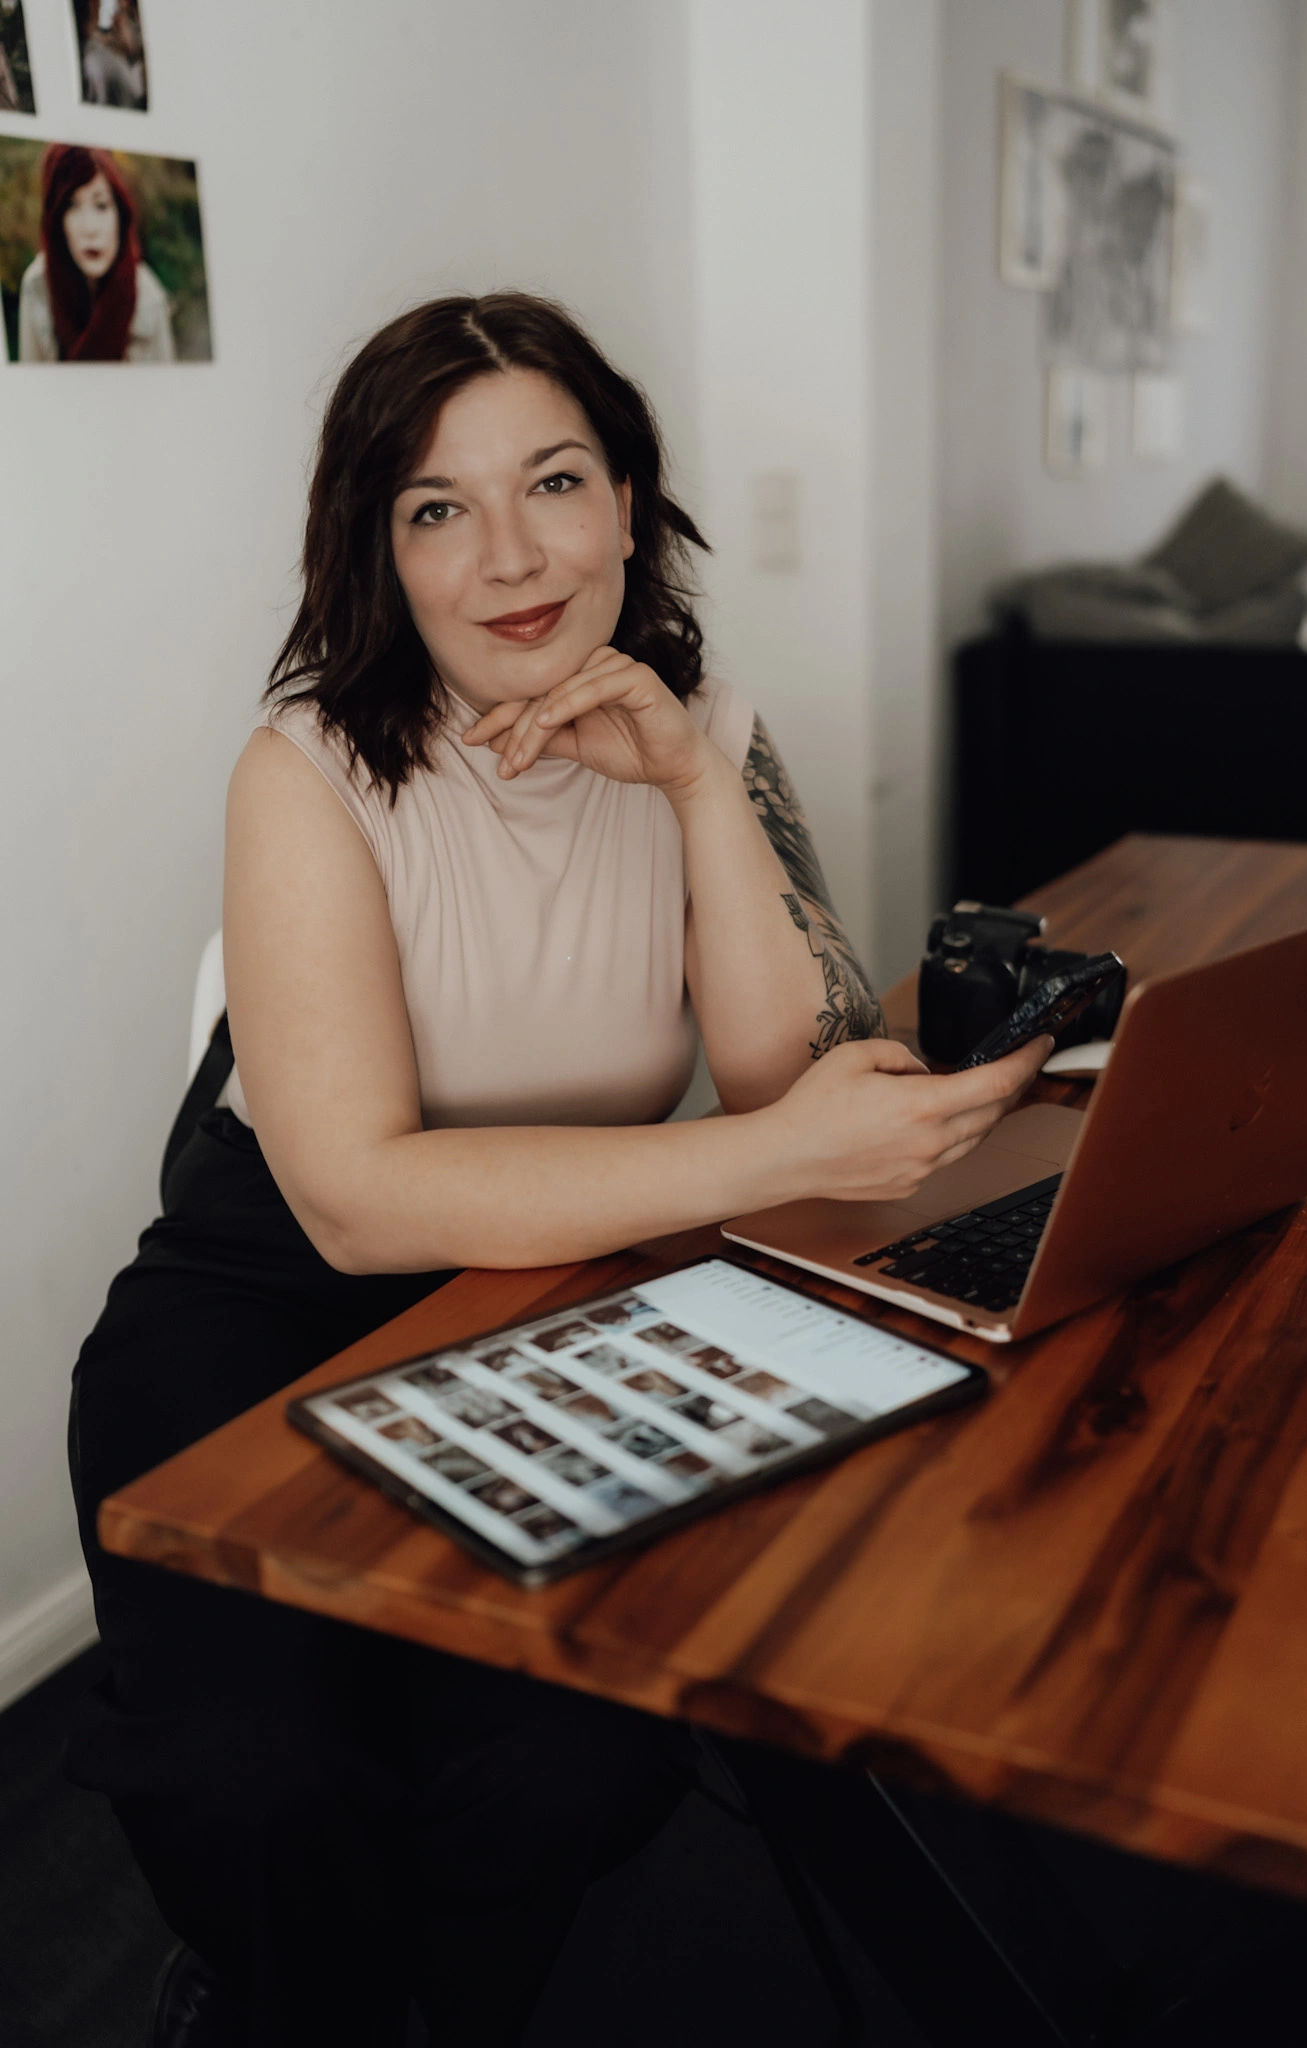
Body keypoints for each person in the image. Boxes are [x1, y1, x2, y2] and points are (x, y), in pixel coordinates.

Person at [67, 291, 1050, 2045]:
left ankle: (427, 2006)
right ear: (377, 545)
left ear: (628, 500)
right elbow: (361, 1196)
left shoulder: (708, 724)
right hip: (267, 1294)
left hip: (573, 1272)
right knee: (261, 1772)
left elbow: (785, 1063)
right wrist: (766, 1152)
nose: (510, 556)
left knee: (573, 1752)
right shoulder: (302, 767)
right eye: (438, 507)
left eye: (556, 482)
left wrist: (688, 782)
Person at [18, 143, 173, 363]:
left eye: (101, 206)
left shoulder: (149, 299)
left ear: (119, 214)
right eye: (71, 206)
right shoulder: (37, 286)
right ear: (58, 222)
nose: (89, 228)